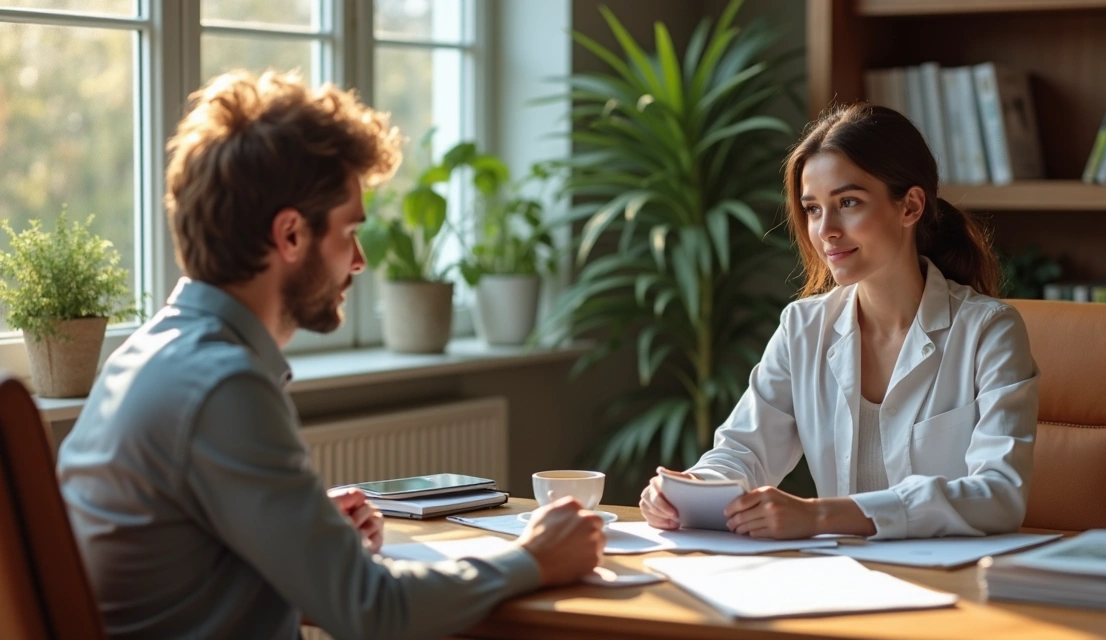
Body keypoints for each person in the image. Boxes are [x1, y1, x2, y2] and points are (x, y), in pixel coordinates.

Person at [57, 70, 605, 640]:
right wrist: (534, 557)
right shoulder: (224, 385)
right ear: (291, 235)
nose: (360, 261)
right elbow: (374, 611)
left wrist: (302, 529)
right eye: (350, 232)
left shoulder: (146, 355)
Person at [640, 103, 1040, 541]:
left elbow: (999, 495)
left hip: (952, 582)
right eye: (813, 209)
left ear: (910, 206)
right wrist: (690, 489)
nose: (826, 230)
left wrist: (821, 516)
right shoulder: (803, 327)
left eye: (848, 202)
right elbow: (742, 451)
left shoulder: (989, 331)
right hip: (840, 577)